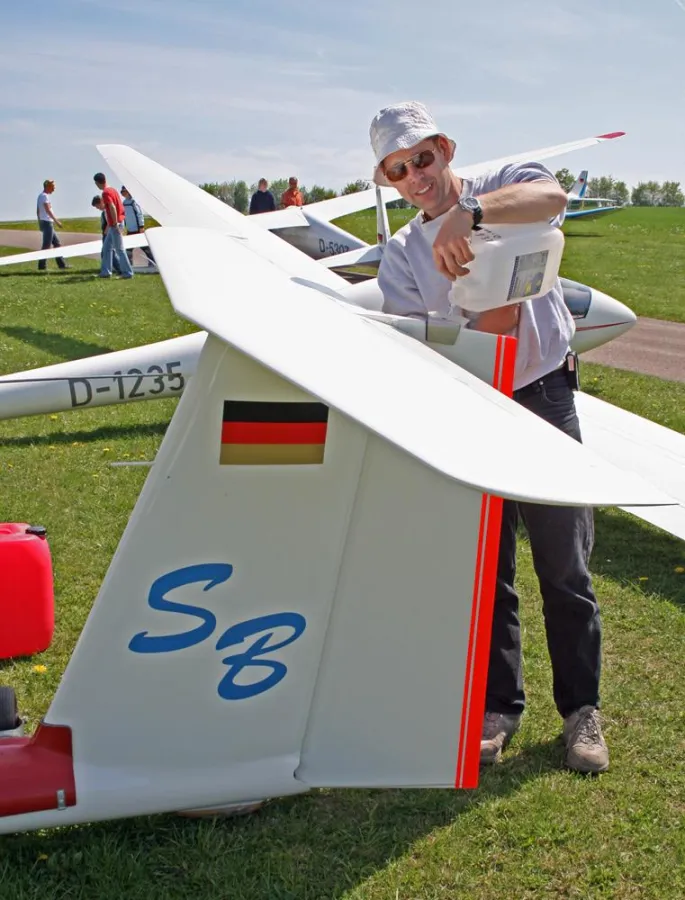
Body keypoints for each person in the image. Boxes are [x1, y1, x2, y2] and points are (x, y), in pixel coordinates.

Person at [369, 101, 609, 774]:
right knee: (488, 568)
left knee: (564, 564)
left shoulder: (501, 181)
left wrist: (468, 216)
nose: (416, 176)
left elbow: (551, 195)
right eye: (398, 170)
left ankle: (580, 713)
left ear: (444, 148)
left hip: (544, 396)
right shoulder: (399, 254)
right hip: (470, 406)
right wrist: (478, 319)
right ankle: (498, 707)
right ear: (388, 181)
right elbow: (417, 342)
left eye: (422, 158)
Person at [92, 173, 133, 279]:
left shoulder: (105, 193)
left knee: (119, 249)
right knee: (106, 248)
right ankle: (106, 272)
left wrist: (114, 223)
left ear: (97, 183)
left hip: (115, 224)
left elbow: (112, 207)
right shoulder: (113, 190)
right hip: (114, 224)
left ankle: (127, 273)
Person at [36, 180, 69, 271]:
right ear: (47, 186)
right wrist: (57, 221)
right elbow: (48, 210)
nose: (54, 189)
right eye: (52, 187)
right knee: (46, 245)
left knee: (57, 244)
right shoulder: (44, 196)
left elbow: (38, 211)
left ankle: (62, 264)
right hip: (47, 223)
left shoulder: (41, 196)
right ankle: (42, 266)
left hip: (46, 222)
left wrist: (40, 223)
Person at [121, 186, 155, 266]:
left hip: (137, 229)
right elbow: (124, 216)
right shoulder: (124, 203)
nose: (122, 193)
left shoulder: (134, 202)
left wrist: (141, 226)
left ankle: (153, 262)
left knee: (144, 247)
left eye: (124, 191)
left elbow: (139, 214)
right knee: (128, 248)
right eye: (122, 192)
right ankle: (129, 264)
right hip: (130, 230)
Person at [91, 196, 121, 275]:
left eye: (97, 206)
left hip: (108, 234)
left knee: (107, 252)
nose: (98, 208)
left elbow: (109, 222)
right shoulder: (104, 212)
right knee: (107, 253)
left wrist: (106, 232)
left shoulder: (107, 210)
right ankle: (111, 269)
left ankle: (117, 269)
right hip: (107, 234)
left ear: (101, 201)